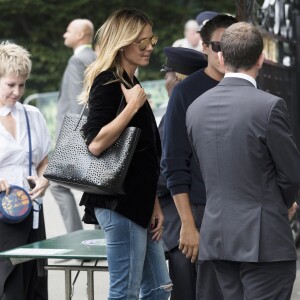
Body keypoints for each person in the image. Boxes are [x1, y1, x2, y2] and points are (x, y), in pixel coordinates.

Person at [186, 21, 300, 300]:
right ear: (261, 59)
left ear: (222, 57)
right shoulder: (269, 106)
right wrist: (282, 204)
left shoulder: (195, 108)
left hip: (218, 237)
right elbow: (292, 174)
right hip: (264, 240)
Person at [78, 9, 172, 299]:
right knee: (125, 292)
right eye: (141, 42)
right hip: (119, 202)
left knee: (158, 289)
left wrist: (153, 202)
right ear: (122, 43)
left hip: (139, 201)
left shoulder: (133, 83)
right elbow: (94, 143)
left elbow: (142, 155)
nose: (149, 47)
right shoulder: (108, 82)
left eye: (151, 39)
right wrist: (132, 107)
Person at [161, 14, 237, 300]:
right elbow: (174, 164)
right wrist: (188, 226)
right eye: (218, 45)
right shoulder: (185, 92)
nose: (224, 52)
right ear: (204, 46)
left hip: (240, 212)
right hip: (199, 209)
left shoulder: (247, 86)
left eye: (231, 45)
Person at [0, 42, 51, 299]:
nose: (17, 91)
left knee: (35, 281)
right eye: (10, 84)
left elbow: (44, 158)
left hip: (31, 208)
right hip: (2, 213)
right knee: (9, 285)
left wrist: (44, 178)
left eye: (22, 85)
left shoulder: (32, 114)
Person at [158, 46, 207, 300]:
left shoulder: (175, 115)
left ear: (176, 81)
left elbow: (166, 174)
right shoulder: (206, 110)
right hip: (200, 217)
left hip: (182, 224)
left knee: (186, 291)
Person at [50, 18, 96, 233]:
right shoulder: (96, 57)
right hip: (94, 133)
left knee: (57, 185)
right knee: (96, 186)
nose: (64, 35)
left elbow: (78, 104)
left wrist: (71, 142)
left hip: (77, 135)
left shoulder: (77, 61)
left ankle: (77, 237)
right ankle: (101, 236)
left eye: (68, 31)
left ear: (80, 35)